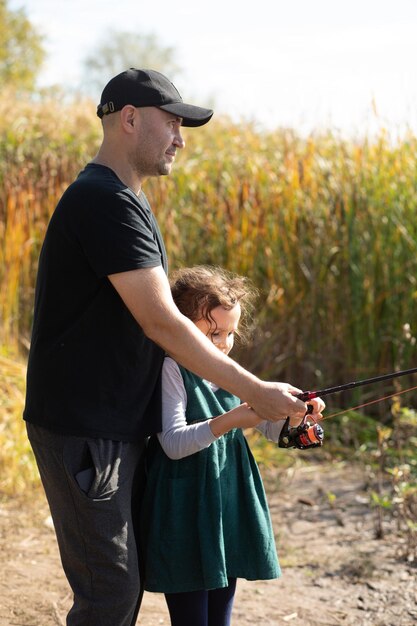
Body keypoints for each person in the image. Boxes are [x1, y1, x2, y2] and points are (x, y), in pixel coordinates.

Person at [24, 68, 317, 626]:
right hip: (86, 429)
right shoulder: (103, 201)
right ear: (129, 119)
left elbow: (174, 329)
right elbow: (163, 323)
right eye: (173, 123)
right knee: (110, 593)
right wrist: (255, 391)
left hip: (115, 427)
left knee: (124, 589)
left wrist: (272, 406)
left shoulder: (126, 199)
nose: (181, 138)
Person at [140, 266, 325, 626]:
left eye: (229, 333)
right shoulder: (172, 370)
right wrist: (233, 420)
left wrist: (298, 416)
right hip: (185, 511)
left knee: (220, 617)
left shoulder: (229, 371)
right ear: (179, 326)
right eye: (212, 333)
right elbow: (173, 444)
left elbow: (271, 428)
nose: (223, 344)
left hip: (227, 506)